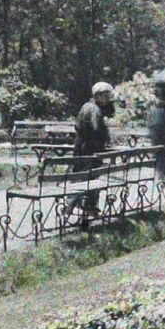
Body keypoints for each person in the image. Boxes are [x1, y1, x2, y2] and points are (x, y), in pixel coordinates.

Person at [67, 80, 114, 224]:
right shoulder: (95, 110)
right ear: (98, 95)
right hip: (91, 151)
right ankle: (84, 206)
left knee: (80, 177)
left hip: (80, 149)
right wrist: (104, 139)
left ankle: (79, 206)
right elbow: (96, 129)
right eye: (105, 96)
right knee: (90, 179)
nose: (107, 99)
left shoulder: (85, 106)